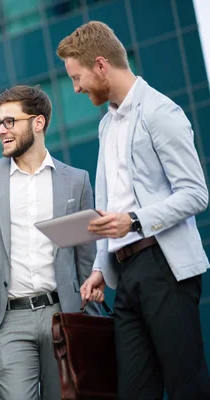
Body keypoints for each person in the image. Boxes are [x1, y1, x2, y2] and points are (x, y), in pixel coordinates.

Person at [57, 21, 210, 399]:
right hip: (125, 274)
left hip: (165, 268)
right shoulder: (106, 125)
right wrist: (98, 268)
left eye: (77, 78)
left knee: (185, 385)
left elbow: (196, 193)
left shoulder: (161, 112)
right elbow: (111, 203)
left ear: (100, 65)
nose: (76, 88)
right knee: (133, 392)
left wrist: (135, 221)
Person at [0, 84, 102, 400]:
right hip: (6, 321)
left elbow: (85, 258)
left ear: (38, 122)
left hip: (62, 316)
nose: (2, 131)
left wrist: (87, 306)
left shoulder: (77, 180)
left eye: (10, 122)